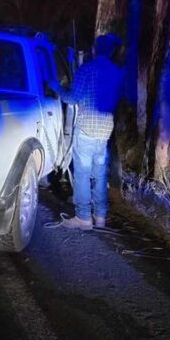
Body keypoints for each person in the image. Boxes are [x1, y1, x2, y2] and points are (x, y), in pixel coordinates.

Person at [52, 33, 124, 229]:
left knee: (82, 174)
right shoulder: (117, 73)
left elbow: (72, 98)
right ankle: (100, 217)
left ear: (94, 49)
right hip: (105, 130)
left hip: (85, 130)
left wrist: (56, 88)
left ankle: (83, 217)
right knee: (100, 175)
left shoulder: (86, 70)